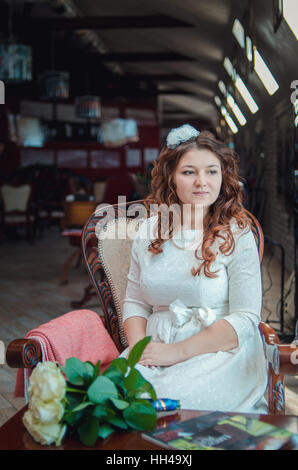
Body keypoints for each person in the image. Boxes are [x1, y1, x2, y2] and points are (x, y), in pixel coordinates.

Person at [120, 124, 268, 414]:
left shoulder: (236, 234)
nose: (202, 181)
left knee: (169, 408)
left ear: (223, 176)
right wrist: (141, 354)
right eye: (189, 172)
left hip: (218, 354)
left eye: (211, 171)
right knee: (117, 403)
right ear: (171, 178)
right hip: (152, 349)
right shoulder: (148, 231)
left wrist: (175, 353)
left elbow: (246, 317)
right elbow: (135, 301)